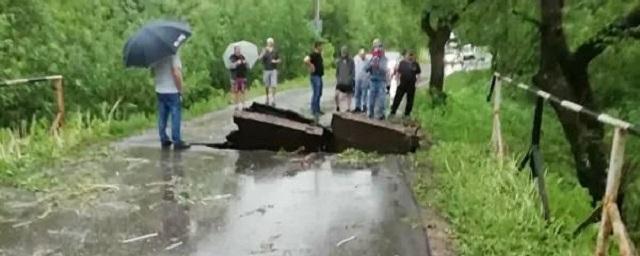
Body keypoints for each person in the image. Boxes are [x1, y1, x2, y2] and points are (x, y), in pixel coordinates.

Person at [151, 53, 190, 150]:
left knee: (162, 115)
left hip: (160, 89)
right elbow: (176, 73)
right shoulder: (174, 55)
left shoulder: (155, 55)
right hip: (172, 90)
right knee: (175, 115)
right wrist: (181, 89)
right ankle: (177, 141)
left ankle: (163, 138)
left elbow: (153, 71)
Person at [390, 51, 422, 118]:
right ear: (406, 56)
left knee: (410, 100)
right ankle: (393, 111)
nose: (410, 57)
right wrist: (397, 80)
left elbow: (418, 74)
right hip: (402, 84)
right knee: (397, 98)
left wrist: (417, 83)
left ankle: (407, 114)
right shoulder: (402, 63)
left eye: (411, 55)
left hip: (411, 85)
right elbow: (398, 72)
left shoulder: (415, 64)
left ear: (413, 56)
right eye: (409, 55)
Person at [365, 45, 389, 120]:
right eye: (376, 51)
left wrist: (378, 65)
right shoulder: (372, 59)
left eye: (379, 51)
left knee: (381, 99)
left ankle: (381, 114)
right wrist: (371, 64)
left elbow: (384, 70)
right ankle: (370, 113)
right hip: (373, 81)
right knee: (371, 99)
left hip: (381, 81)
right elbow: (365, 69)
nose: (377, 53)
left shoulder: (384, 59)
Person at [304, 41, 325, 120]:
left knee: (319, 93)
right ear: (317, 46)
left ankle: (318, 109)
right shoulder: (313, 54)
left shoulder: (319, 54)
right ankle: (314, 110)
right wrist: (311, 65)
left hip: (319, 76)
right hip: (315, 76)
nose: (322, 47)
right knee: (316, 93)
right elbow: (306, 60)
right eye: (321, 46)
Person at [259, 37, 280, 106]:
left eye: (271, 42)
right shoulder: (264, 50)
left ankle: (273, 99)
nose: (270, 43)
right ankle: (267, 97)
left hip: (273, 69)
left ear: (272, 43)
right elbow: (259, 58)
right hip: (266, 69)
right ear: (267, 43)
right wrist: (263, 53)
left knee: (274, 85)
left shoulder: (275, 51)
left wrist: (275, 61)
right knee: (267, 85)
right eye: (269, 42)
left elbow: (279, 60)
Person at [334, 46, 355, 112]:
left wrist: (350, 79)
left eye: (344, 52)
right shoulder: (339, 61)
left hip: (348, 82)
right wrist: (338, 79)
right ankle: (337, 106)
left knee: (349, 95)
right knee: (336, 95)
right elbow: (337, 72)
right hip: (340, 81)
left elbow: (353, 71)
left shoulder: (351, 61)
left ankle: (348, 108)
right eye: (342, 52)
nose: (343, 54)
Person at [229, 45, 248, 111]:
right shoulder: (232, 57)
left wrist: (246, 63)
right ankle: (236, 105)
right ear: (235, 50)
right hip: (235, 77)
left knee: (243, 91)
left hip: (242, 76)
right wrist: (237, 63)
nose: (238, 51)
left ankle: (244, 105)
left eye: (239, 49)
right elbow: (231, 66)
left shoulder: (242, 57)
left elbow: (246, 67)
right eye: (237, 49)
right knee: (236, 91)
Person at [353, 48, 369, 113]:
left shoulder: (367, 61)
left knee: (364, 93)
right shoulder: (356, 59)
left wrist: (368, 78)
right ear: (359, 54)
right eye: (361, 54)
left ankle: (364, 106)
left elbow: (369, 71)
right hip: (357, 79)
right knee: (357, 93)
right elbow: (353, 68)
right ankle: (357, 106)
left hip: (364, 79)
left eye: (363, 54)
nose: (362, 56)